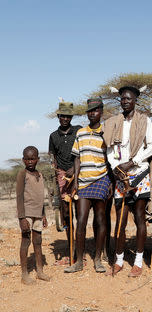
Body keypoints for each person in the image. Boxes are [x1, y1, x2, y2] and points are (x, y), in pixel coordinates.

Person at [103, 86, 152, 277]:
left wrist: (133, 162)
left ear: (135, 100)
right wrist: (117, 167)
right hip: (120, 176)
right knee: (121, 220)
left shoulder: (145, 121)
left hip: (139, 173)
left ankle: (138, 262)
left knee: (140, 218)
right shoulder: (113, 123)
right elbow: (110, 148)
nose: (125, 101)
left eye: (129, 99)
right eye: (122, 99)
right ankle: (118, 261)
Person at [64, 98, 111, 274]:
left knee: (100, 220)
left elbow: (111, 158)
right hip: (83, 181)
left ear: (101, 111)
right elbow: (77, 158)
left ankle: (98, 259)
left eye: (96, 110)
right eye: (89, 111)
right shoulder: (81, 133)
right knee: (81, 219)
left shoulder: (106, 132)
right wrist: (75, 181)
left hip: (101, 178)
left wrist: (111, 182)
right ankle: (78, 261)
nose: (92, 113)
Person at [48, 100, 82, 265]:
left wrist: (75, 170)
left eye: (68, 116)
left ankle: (81, 252)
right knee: (67, 215)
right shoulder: (53, 136)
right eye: (62, 116)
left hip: (80, 174)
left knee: (81, 213)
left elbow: (84, 152)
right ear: (58, 117)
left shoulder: (78, 131)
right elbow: (53, 160)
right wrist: (57, 182)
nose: (65, 119)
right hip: (62, 177)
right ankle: (71, 250)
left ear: (71, 117)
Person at [16, 146, 51, 285]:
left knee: (38, 241)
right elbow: (19, 197)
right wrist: (22, 218)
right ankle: (24, 274)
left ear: (38, 159)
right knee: (26, 241)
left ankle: (40, 271)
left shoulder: (40, 174)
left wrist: (43, 215)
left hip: (38, 213)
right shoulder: (22, 174)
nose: (30, 161)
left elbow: (41, 196)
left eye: (33, 158)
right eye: (27, 159)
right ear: (23, 160)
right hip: (27, 213)